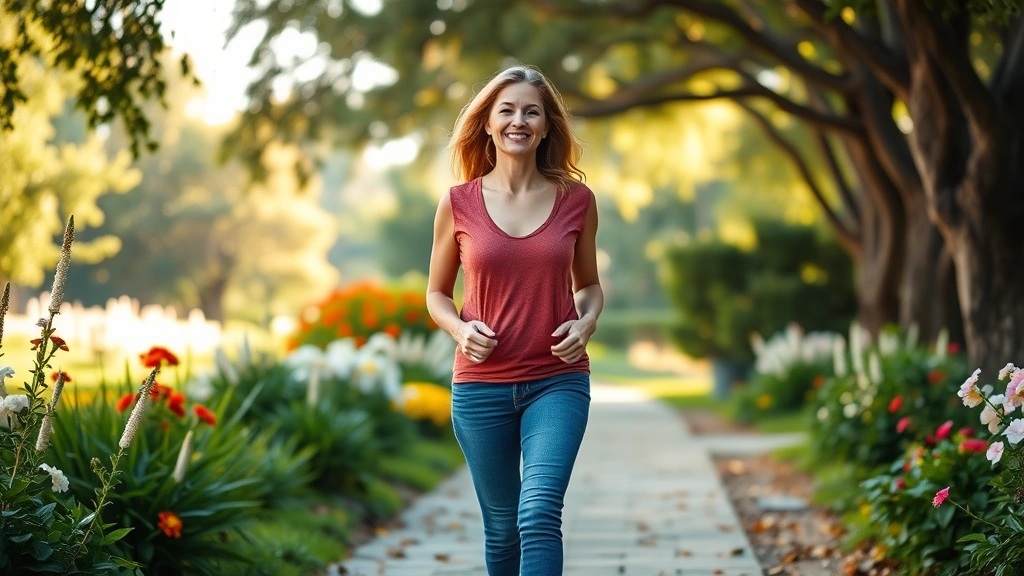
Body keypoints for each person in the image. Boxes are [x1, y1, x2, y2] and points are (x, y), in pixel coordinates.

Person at [426, 65, 603, 576]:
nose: (518, 121)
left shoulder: (576, 201)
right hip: (481, 387)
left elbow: (589, 286)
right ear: (487, 123)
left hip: (557, 381)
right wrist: (460, 329)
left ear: (547, 127)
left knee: (539, 512)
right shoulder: (458, 203)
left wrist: (586, 322)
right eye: (506, 110)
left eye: (532, 112)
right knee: (503, 527)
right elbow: (436, 295)